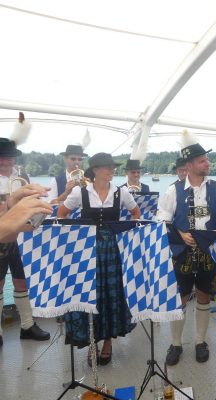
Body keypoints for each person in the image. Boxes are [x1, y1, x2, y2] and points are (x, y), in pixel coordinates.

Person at [58, 152, 140, 365]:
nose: (112, 170)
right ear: (95, 170)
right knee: (91, 294)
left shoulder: (121, 192)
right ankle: (92, 341)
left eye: (113, 167)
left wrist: (126, 234)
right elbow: (61, 213)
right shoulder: (80, 192)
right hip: (87, 251)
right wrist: (75, 236)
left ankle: (108, 342)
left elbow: (136, 213)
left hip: (112, 250)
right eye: (107, 167)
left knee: (111, 294)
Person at [157, 131, 216, 365]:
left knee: (204, 294)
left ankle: (200, 341)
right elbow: (162, 221)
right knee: (180, 297)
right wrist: (180, 233)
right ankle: (176, 343)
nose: (207, 163)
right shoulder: (173, 190)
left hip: (209, 252)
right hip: (182, 253)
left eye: (206, 160)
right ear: (189, 165)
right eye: (202, 161)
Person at [0, 138, 51, 345]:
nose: (6, 163)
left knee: (22, 280)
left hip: (22, 238)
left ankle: (27, 325)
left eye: (9, 159)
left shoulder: (21, 176)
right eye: (2, 159)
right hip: (2, 236)